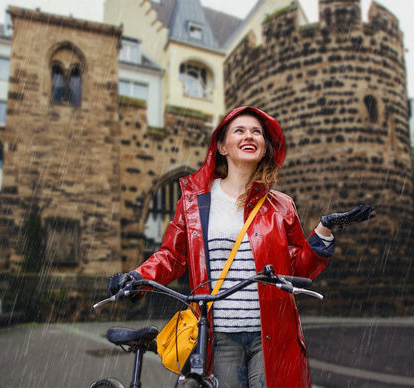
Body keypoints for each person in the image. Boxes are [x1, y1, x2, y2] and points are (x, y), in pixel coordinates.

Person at [108, 106, 374, 387]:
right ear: (222, 146)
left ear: (264, 146)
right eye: (240, 130)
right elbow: (172, 256)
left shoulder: (282, 205)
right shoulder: (194, 203)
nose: (250, 136)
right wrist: (137, 277)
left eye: (256, 132)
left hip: (271, 334)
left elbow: (296, 267)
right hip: (220, 336)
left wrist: (323, 232)